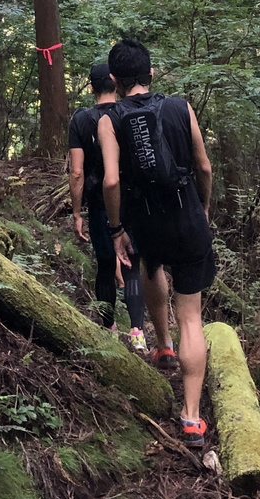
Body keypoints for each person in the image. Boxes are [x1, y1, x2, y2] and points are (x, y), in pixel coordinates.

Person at [98, 37, 215, 448]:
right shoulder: (180, 107)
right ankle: (191, 417)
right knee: (192, 318)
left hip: (146, 222)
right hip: (187, 216)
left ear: (114, 79)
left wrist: (116, 230)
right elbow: (204, 166)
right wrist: (203, 207)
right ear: (151, 72)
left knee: (152, 266)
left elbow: (111, 180)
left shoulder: (109, 120)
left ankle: (163, 346)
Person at [68, 62, 148, 350]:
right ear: (115, 82)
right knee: (132, 265)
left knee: (105, 265)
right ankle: (138, 333)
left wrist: (76, 212)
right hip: (132, 201)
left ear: (91, 87)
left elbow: (77, 172)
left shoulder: (81, 119)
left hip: (99, 202)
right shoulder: (127, 113)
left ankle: (109, 330)